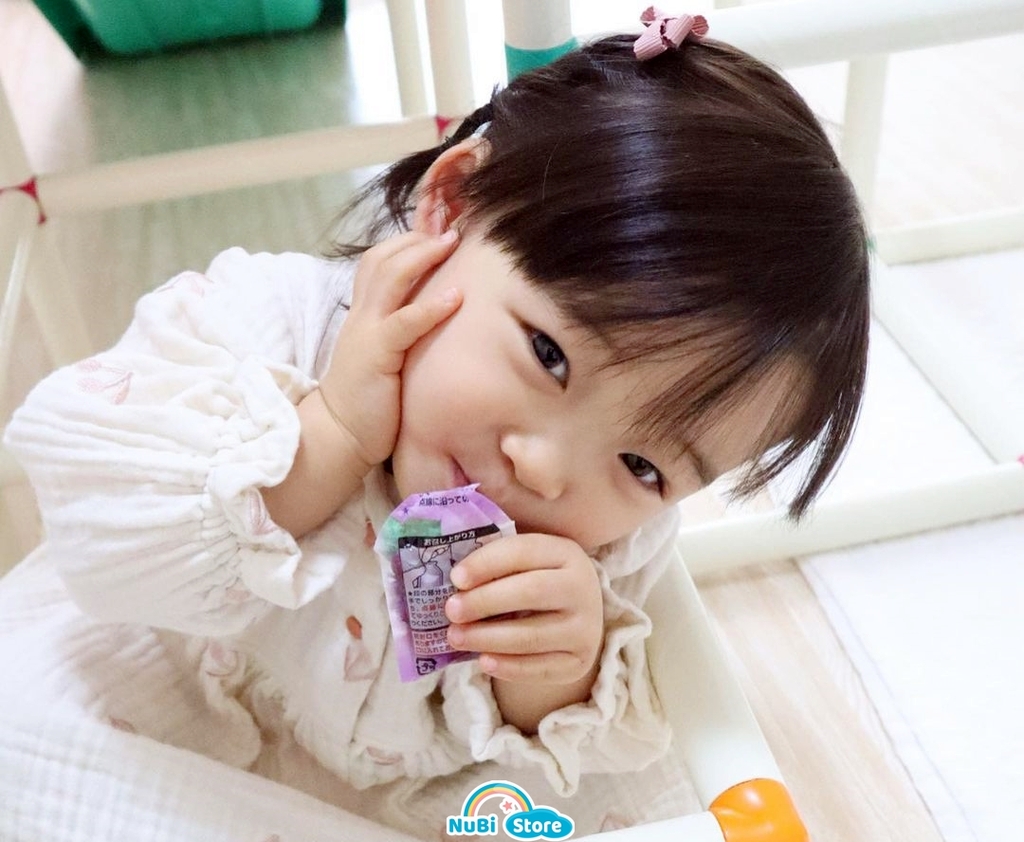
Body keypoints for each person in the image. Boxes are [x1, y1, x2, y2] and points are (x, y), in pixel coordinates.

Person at [1, 18, 869, 801]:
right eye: (549, 355)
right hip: (133, 732)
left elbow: (567, 770)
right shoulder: (265, 322)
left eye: (643, 467)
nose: (544, 470)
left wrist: (549, 675)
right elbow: (97, 532)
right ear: (452, 205)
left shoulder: (608, 544)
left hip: (382, 828)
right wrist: (333, 434)